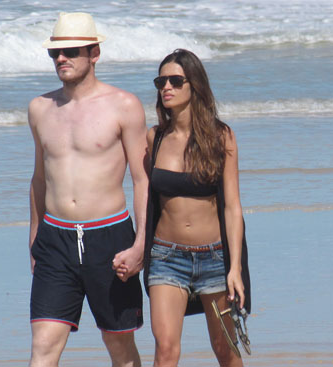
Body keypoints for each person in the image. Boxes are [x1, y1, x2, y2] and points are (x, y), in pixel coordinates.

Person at [27, 12, 148, 367]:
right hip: (55, 240)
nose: (61, 59)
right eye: (55, 53)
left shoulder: (124, 105)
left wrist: (140, 243)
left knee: (119, 346)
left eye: (71, 51)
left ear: (94, 53)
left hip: (109, 238)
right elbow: (38, 178)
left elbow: (142, 180)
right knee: (44, 347)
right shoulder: (40, 108)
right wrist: (34, 237)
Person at [143, 49, 251, 367]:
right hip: (165, 257)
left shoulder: (221, 137)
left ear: (195, 86)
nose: (167, 87)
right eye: (161, 81)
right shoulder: (155, 138)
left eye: (176, 80)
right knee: (165, 350)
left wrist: (235, 269)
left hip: (215, 259)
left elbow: (232, 207)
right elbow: (147, 200)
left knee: (225, 349)